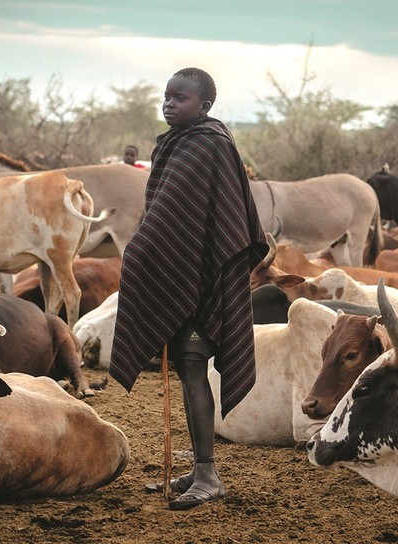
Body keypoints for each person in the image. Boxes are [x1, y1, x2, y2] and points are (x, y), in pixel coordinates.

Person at [109, 67, 268, 510]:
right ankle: (199, 469)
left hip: (205, 282)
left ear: (204, 105)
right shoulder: (176, 145)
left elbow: (185, 219)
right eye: (166, 96)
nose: (169, 103)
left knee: (195, 371)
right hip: (186, 274)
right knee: (186, 370)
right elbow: (170, 213)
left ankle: (209, 475)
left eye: (180, 98)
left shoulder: (208, 146)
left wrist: (139, 252)